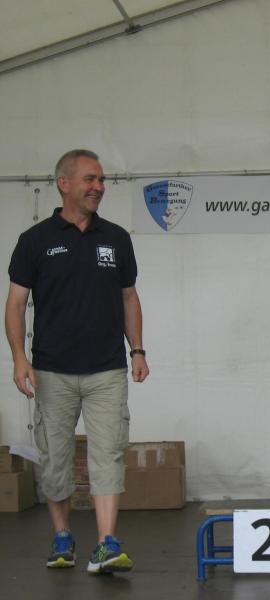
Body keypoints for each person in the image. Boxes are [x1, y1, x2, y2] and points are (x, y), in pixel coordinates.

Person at [4, 149, 150, 573]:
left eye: (101, 180)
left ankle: (106, 542)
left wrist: (138, 350)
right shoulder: (34, 240)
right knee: (55, 459)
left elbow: (129, 297)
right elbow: (15, 305)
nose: (98, 187)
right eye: (90, 179)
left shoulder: (116, 238)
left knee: (108, 454)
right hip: (51, 371)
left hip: (108, 369)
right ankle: (62, 537)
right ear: (64, 183)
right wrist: (19, 358)